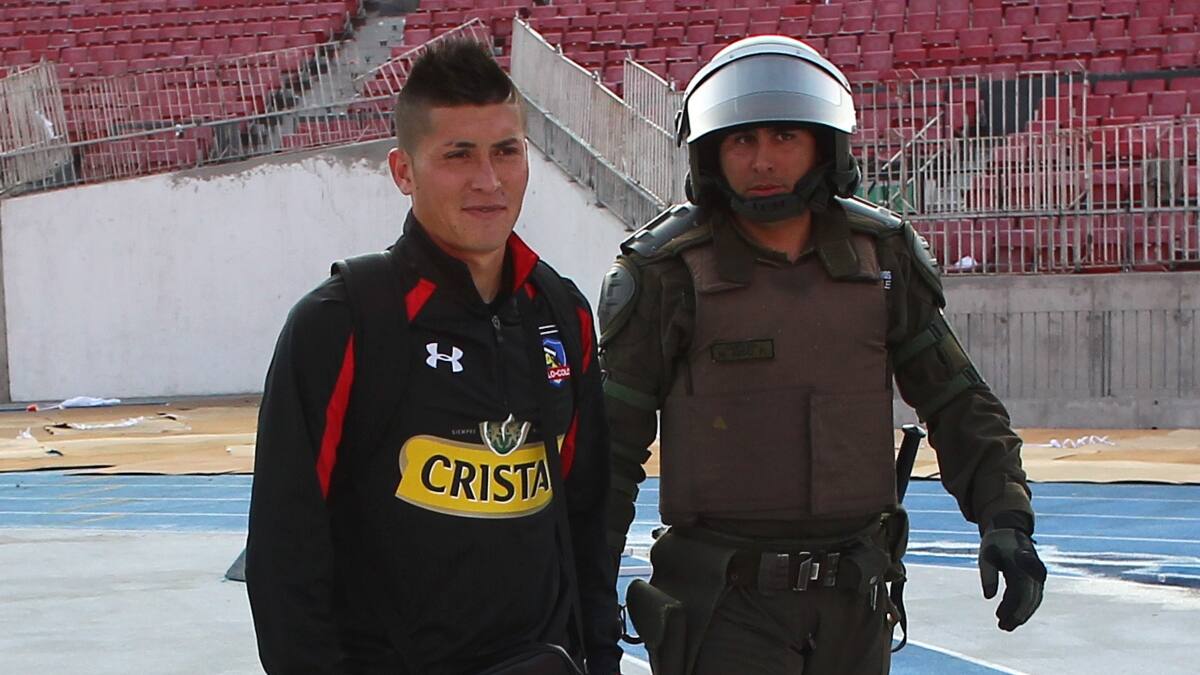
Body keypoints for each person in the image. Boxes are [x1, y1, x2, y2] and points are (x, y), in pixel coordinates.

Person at [599, 36, 1046, 675]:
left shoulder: (882, 258)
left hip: (855, 602)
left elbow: (955, 399)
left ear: (823, 144)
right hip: (723, 607)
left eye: (785, 136)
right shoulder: (665, 275)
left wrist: (1006, 518)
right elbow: (609, 453)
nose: (762, 160)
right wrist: (587, 586)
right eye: (741, 140)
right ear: (709, 155)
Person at [246, 40, 621, 674]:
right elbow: (286, 559)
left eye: (507, 151)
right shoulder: (340, 324)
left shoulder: (563, 313)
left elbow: (587, 520)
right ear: (403, 171)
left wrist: (601, 660)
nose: (489, 180)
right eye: (458, 155)